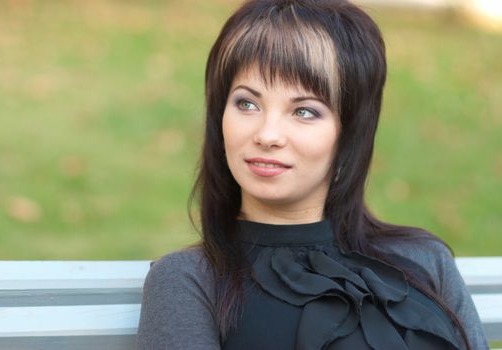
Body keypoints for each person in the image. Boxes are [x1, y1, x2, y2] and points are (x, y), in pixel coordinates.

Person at [136, 0, 489, 349]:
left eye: (304, 111)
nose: (267, 134)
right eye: (247, 103)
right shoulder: (189, 280)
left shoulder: (424, 259)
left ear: (349, 131)